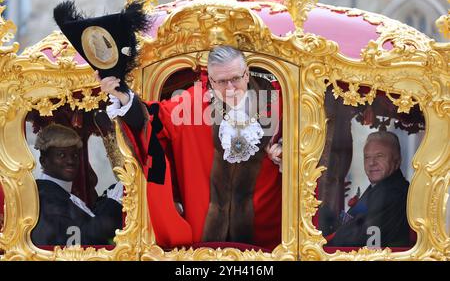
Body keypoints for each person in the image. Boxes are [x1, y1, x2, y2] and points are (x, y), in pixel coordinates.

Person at [98, 45, 282, 250]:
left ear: (246, 73)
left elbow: (303, 140)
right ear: (211, 80)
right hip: (204, 245)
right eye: (221, 81)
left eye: (236, 79)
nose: (230, 89)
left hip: (269, 240)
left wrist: (284, 150)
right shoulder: (190, 104)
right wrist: (123, 96)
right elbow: (151, 120)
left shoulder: (277, 103)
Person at [31, 124, 123, 246]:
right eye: (61, 155)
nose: (70, 161)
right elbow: (85, 238)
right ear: (44, 161)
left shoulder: (58, 193)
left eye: (74, 155)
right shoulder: (46, 197)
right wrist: (115, 201)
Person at [321, 131, 411, 247]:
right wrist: (330, 203)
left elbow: (357, 239)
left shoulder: (394, 193)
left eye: (379, 156)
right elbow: (348, 221)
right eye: (367, 157)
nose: (372, 163)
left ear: (397, 161)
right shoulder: (378, 188)